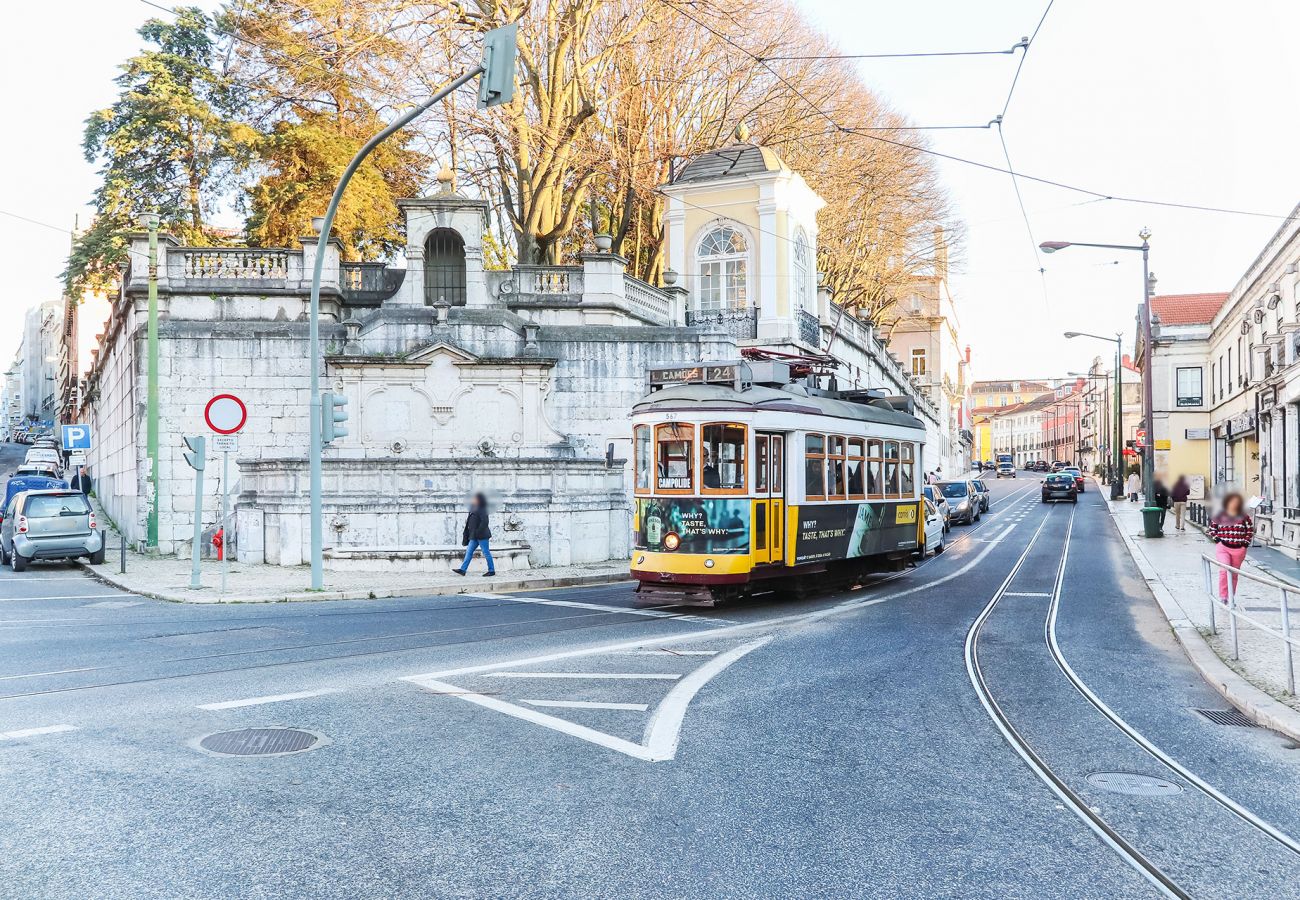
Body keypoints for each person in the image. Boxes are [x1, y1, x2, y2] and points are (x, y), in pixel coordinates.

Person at [1208, 493, 1254, 603]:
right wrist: (1217, 540)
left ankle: (1231, 595)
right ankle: (1223, 596)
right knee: (1224, 571)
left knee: (1234, 574)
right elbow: (1212, 528)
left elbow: (1250, 530)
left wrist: (1245, 544)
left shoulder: (1244, 516)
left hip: (1239, 549)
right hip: (1223, 547)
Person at [454, 492, 495, 577]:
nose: (473, 500)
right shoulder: (472, 508)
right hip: (473, 536)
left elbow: (485, 522)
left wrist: (477, 532)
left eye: (475, 498)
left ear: (479, 500)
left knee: (486, 552)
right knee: (468, 552)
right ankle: (463, 570)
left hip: (482, 535)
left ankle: (491, 570)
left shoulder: (482, 509)